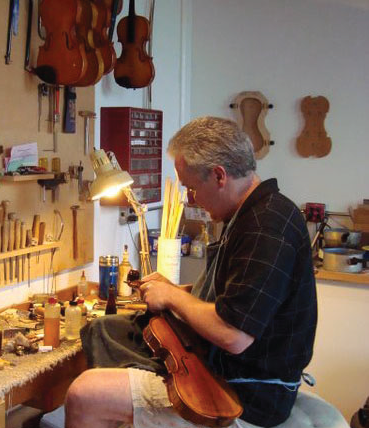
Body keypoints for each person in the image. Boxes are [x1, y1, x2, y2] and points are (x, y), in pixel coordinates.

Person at [64, 116, 317, 428]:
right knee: (107, 330)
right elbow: (235, 300)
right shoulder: (250, 213)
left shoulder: (265, 226)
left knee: (84, 395)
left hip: (246, 393)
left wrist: (171, 296)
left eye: (192, 188)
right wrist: (177, 292)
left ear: (219, 175)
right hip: (228, 370)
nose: (190, 198)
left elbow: (233, 334)